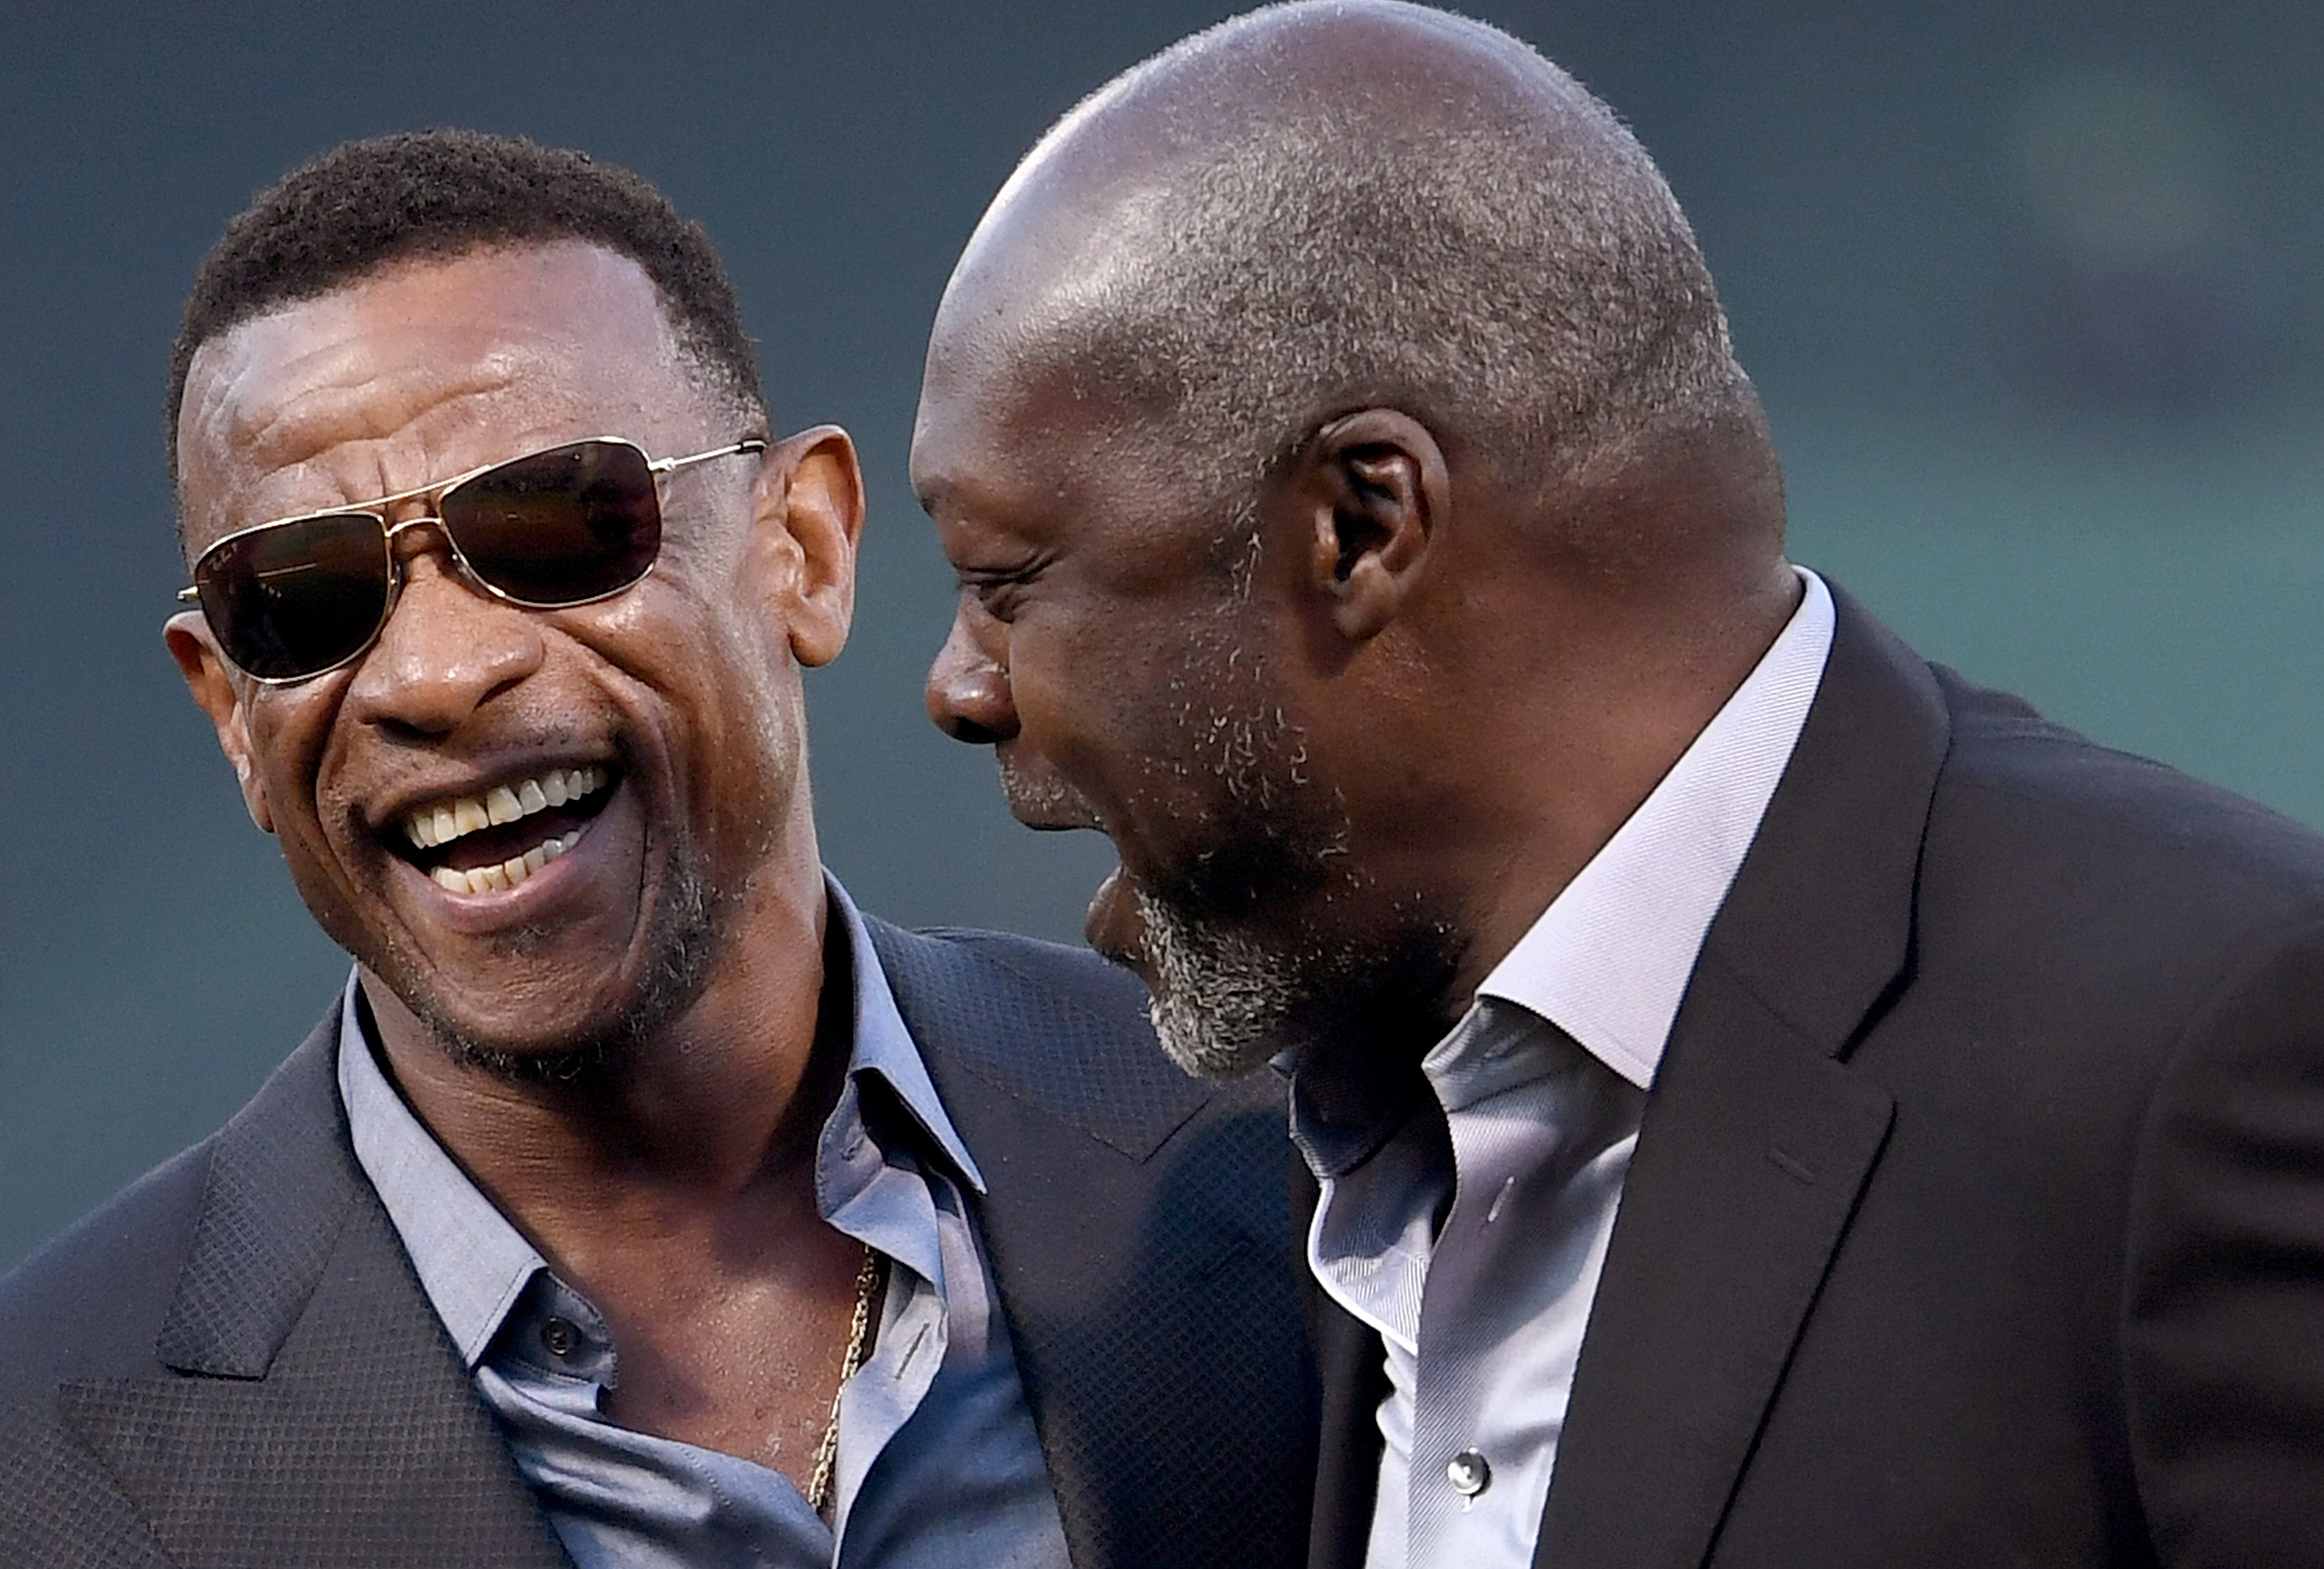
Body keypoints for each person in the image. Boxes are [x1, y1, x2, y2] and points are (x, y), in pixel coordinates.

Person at [911, 4, 2324, 1566]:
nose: (960, 684)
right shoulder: (1259, 1194)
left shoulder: (2214, 1048)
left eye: (1008, 578)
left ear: (1361, 529)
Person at [0, 129, 1316, 1569]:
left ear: (802, 550)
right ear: (232, 715)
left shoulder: (1297, 1159)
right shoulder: (41, 1463)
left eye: (557, 522)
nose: (434, 676)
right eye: (305, 599)